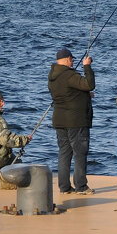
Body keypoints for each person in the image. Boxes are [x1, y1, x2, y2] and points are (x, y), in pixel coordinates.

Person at [48, 47, 95, 194]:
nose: (73, 62)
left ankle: (64, 187)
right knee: (80, 153)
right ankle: (81, 186)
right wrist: (87, 66)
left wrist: (86, 95)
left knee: (64, 153)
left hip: (60, 121)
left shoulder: (53, 76)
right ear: (68, 59)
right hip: (76, 121)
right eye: (72, 59)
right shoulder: (69, 75)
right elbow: (89, 84)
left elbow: (68, 94)